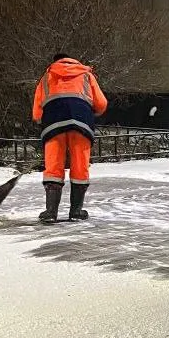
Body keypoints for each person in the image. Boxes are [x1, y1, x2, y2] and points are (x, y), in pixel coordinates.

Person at [32, 54, 108, 222]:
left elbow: (37, 112)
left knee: (53, 165)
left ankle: (50, 212)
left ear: (55, 62)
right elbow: (101, 103)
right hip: (81, 121)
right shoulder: (86, 75)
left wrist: (40, 120)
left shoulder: (46, 77)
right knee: (80, 164)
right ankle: (76, 212)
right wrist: (91, 111)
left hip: (53, 122)